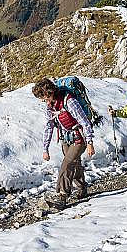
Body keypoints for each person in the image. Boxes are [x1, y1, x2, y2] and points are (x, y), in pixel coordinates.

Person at [33, 78, 95, 209]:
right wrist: (45, 148)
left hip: (80, 137)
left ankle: (62, 195)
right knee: (75, 163)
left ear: (49, 93)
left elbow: (84, 122)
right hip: (65, 138)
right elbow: (49, 126)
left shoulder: (70, 101)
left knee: (67, 164)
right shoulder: (50, 106)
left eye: (43, 97)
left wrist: (89, 142)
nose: (43, 100)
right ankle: (82, 188)